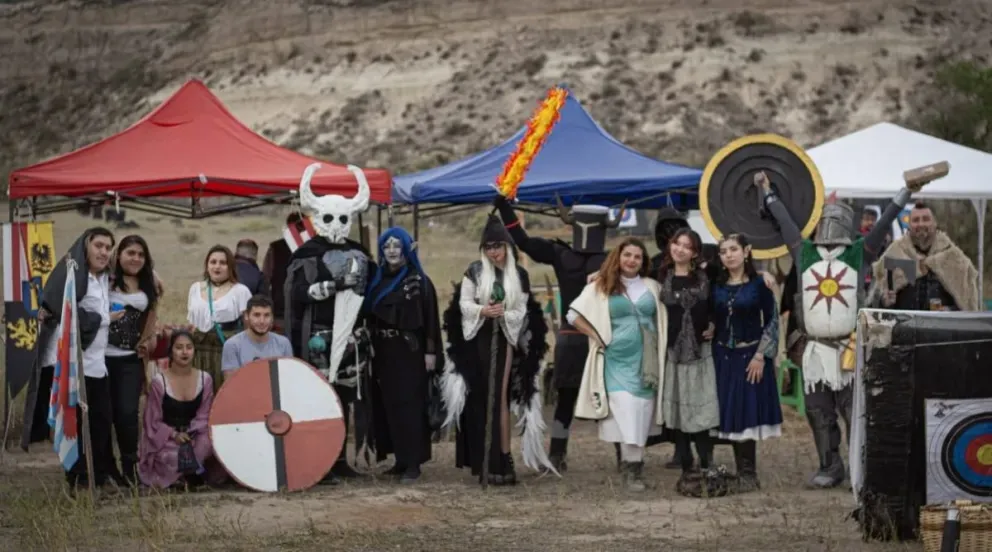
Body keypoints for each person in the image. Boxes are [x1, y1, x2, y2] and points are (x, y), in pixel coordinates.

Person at [759, 171, 922, 489]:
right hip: (815, 349)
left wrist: (905, 192)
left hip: (848, 348)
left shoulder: (857, 253)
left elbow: (884, 221)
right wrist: (767, 191)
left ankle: (861, 467)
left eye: (838, 217)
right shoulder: (804, 253)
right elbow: (786, 223)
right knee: (819, 413)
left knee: (854, 414)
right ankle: (830, 465)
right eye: (828, 217)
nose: (832, 223)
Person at [491, 195, 617, 473]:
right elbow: (522, 242)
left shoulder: (610, 259)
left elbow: (523, 241)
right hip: (578, 336)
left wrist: (504, 207)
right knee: (571, 398)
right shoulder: (590, 257)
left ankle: (622, 458)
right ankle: (560, 455)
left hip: (600, 338)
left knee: (607, 397)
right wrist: (503, 207)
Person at [440, 215, 556, 486]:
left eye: (498, 245)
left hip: (505, 339)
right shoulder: (474, 271)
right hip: (477, 338)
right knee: (480, 397)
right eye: (488, 246)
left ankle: (502, 458)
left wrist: (503, 314)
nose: (493, 251)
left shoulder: (520, 275)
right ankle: (483, 459)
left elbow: (522, 309)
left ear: (507, 246)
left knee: (499, 397)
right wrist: (483, 310)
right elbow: (464, 304)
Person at [283, 163, 375, 483]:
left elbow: (369, 294)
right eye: (328, 217)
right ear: (316, 219)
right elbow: (295, 294)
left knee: (345, 398)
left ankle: (339, 459)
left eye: (342, 218)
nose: (335, 225)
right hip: (316, 338)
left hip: (350, 339)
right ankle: (318, 461)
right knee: (320, 399)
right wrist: (333, 286)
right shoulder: (305, 254)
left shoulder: (360, 254)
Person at [20, 227, 116, 489]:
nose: (104, 252)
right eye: (99, 246)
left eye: (108, 247)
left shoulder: (102, 279)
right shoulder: (72, 275)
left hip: (98, 365)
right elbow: (58, 310)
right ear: (85, 246)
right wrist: (98, 319)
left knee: (100, 423)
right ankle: (78, 480)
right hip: (75, 366)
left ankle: (95, 475)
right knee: (76, 426)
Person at [569, 237, 667, 491]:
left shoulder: (653, 287)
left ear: (643, 261)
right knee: (626, 408)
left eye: (637, 256)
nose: (632, 260)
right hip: (615, 360)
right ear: (618, 256)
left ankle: (630, 464)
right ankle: (632, 470)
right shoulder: (602, 284)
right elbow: (574, 315)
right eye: (627, 255)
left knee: (642, 411)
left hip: (647, 359)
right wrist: (597, 337)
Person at [363, 227, 441, 483]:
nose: (392, 251)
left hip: (410, 352)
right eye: (387, 246)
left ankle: (414, 463)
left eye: (397, 246)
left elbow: (430, 319)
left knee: (410, 406)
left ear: (406, 248)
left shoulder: (419, 281)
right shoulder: (377, 280)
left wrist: (431, 352)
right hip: (383, 353)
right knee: (390, 407)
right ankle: (399, 459)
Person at [710, 233, 782, 492]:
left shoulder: (759, 285)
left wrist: (761, 356)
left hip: (750, 357)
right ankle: (712, 467)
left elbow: (773, 320)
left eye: (733, 249)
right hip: (721, 358)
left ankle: (748, 473)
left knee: (747, 413)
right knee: (724, 413)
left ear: (746, 251)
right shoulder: (715, 284)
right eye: (723, 251)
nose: (728, 255)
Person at [655, 229, 721, 492]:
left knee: (702, 411)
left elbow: (738, 272)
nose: (680, 249)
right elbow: (625, 274)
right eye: (676, 244)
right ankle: (686, 466)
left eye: (687, 246)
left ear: (695, 252)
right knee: (679, 413)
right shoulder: (660, 276)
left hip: (701, 354)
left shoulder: (708, 276)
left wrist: (714, 323)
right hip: (673, 354)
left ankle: (706, 464)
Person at [104, 235, 161, 486]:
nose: (135, 258)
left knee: (127, 414)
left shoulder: (149, 284)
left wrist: (149, 341)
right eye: (130, 253)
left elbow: (152, 321)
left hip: (130, 360)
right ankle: (107, 467)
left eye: (141, 254)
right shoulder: (105, 281)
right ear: (118, 255)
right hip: (100, 358)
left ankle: (130, 467)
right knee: (104, 414)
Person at [138, 330, 224, 490]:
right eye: (179, 347)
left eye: (189, 347)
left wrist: (190, 435)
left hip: (195, 435)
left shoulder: (205, 379)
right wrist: (174, 435)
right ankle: (186, 477)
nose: (184, 352)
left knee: (206, 447)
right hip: (166, 439)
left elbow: (204, 415)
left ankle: (189, 476)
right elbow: (152, 421)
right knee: (171, 457)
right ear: (171, 352)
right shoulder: (159, 382)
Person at [871, 202, 979, 312]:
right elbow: (874, 304)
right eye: (916, 220)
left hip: (941, 328)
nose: (921, 224)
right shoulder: (894, 254)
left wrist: (949, 310)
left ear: (935, 223)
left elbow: (968, 306)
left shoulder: (953, 258)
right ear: (909, 225)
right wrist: (884, 302)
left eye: (926, 219)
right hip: (904, 328)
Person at [186, 245, 252, 393]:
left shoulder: (240, 291)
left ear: (230, 266)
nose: (217, 266)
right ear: (207, 265)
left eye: (223, 263)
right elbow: (192, 323)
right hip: (198, 352)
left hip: (225, 353)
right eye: (213, 262)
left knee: (225, 395)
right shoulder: (195, 288)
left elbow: (249, 328)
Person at [220, 294, 293, 375]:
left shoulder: (283, 343)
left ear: (272, 318)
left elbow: (288, 378)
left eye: (267, 315)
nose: (262, 321)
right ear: (246, 316)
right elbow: (231, 383)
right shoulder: (232, 345)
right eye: (257, 315)